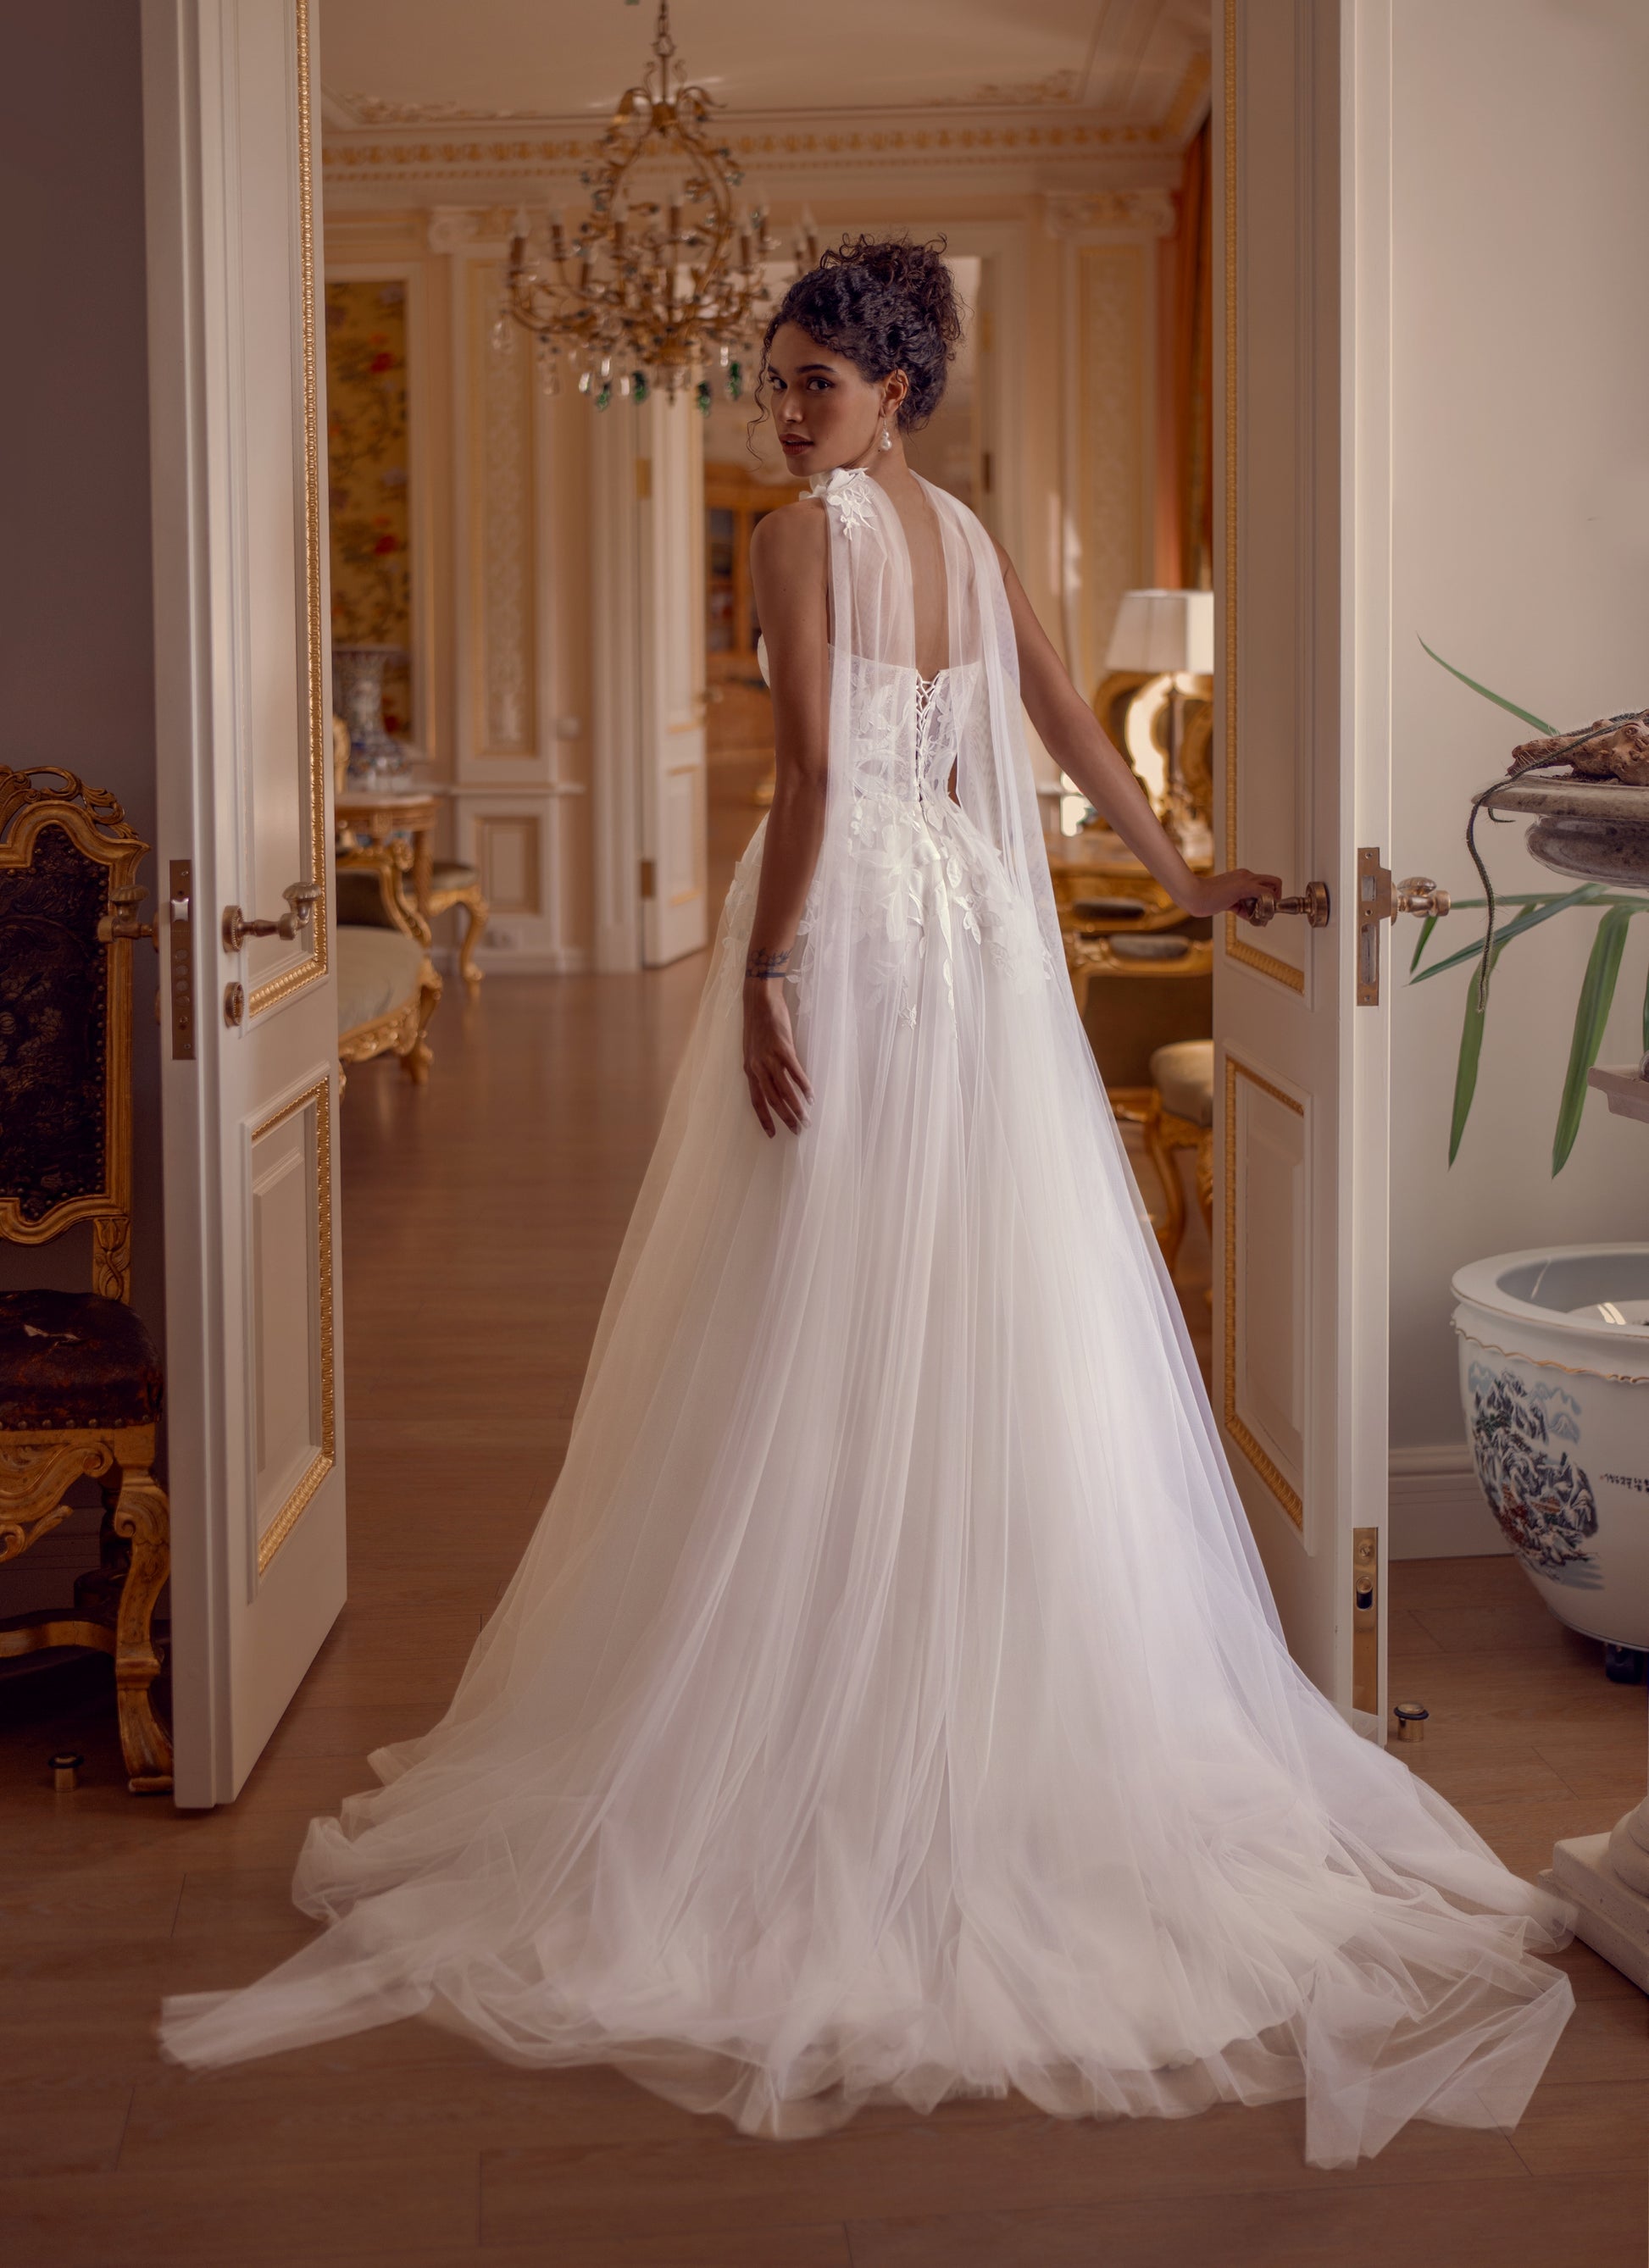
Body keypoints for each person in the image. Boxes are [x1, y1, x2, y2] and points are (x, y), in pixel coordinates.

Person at [159, 237, 1574, 2169]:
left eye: (812, 380)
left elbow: (822, 767)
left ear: (891, 387)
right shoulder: (961, 533)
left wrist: (763, 969)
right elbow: (1068, 724)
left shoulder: (800, 533)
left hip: (852, 931)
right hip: (974, 944)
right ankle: (926, 1684)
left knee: (807, 1295)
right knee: (967, 1287)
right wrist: (1179, 876)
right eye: (776, 380)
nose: (783, 411)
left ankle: (822, 1699)